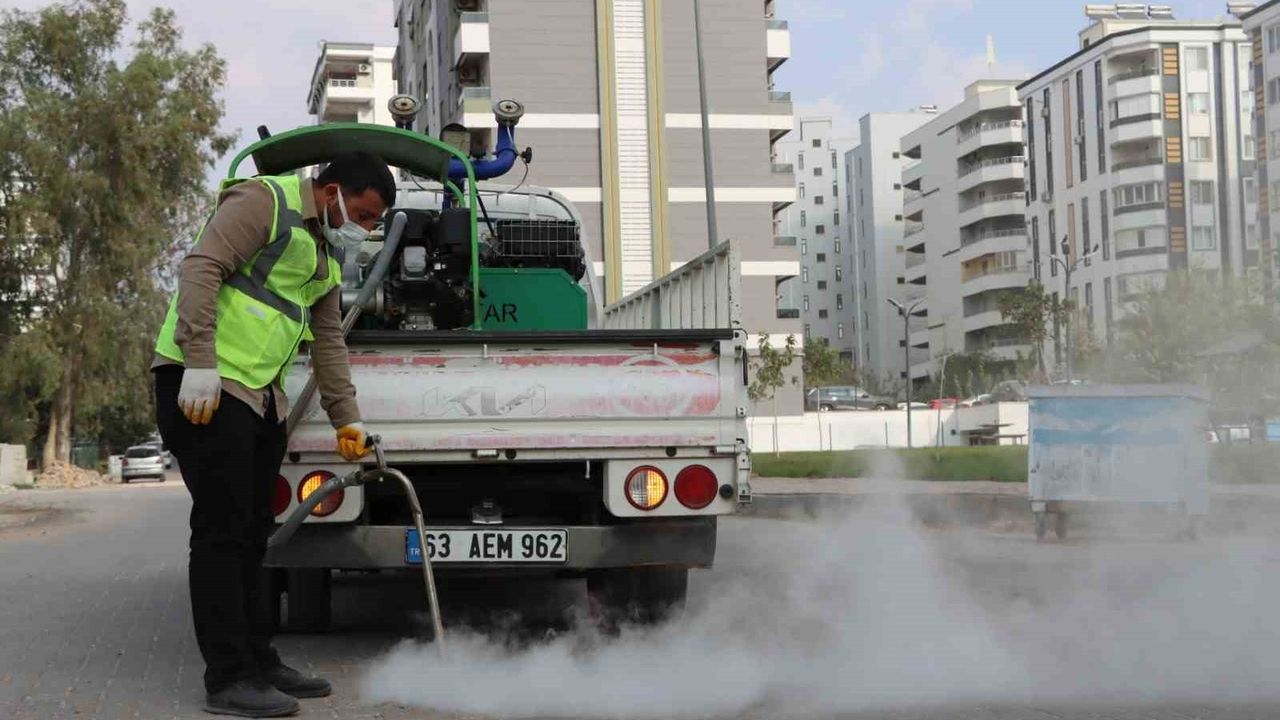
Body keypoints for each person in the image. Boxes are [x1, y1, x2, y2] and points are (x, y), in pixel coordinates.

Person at [153, 152, 394, 717]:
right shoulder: (264, 200)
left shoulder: (324, 257)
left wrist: (347, 419)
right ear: (331, 189)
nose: (363, 229)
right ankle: (227, 678)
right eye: (359, 214)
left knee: (255, 532)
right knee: (221, 531)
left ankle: (258, 661)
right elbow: (202, 267)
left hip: (258, 398)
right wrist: (200, 360)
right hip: (203, 386)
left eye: (372, 222)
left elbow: (329, 340)